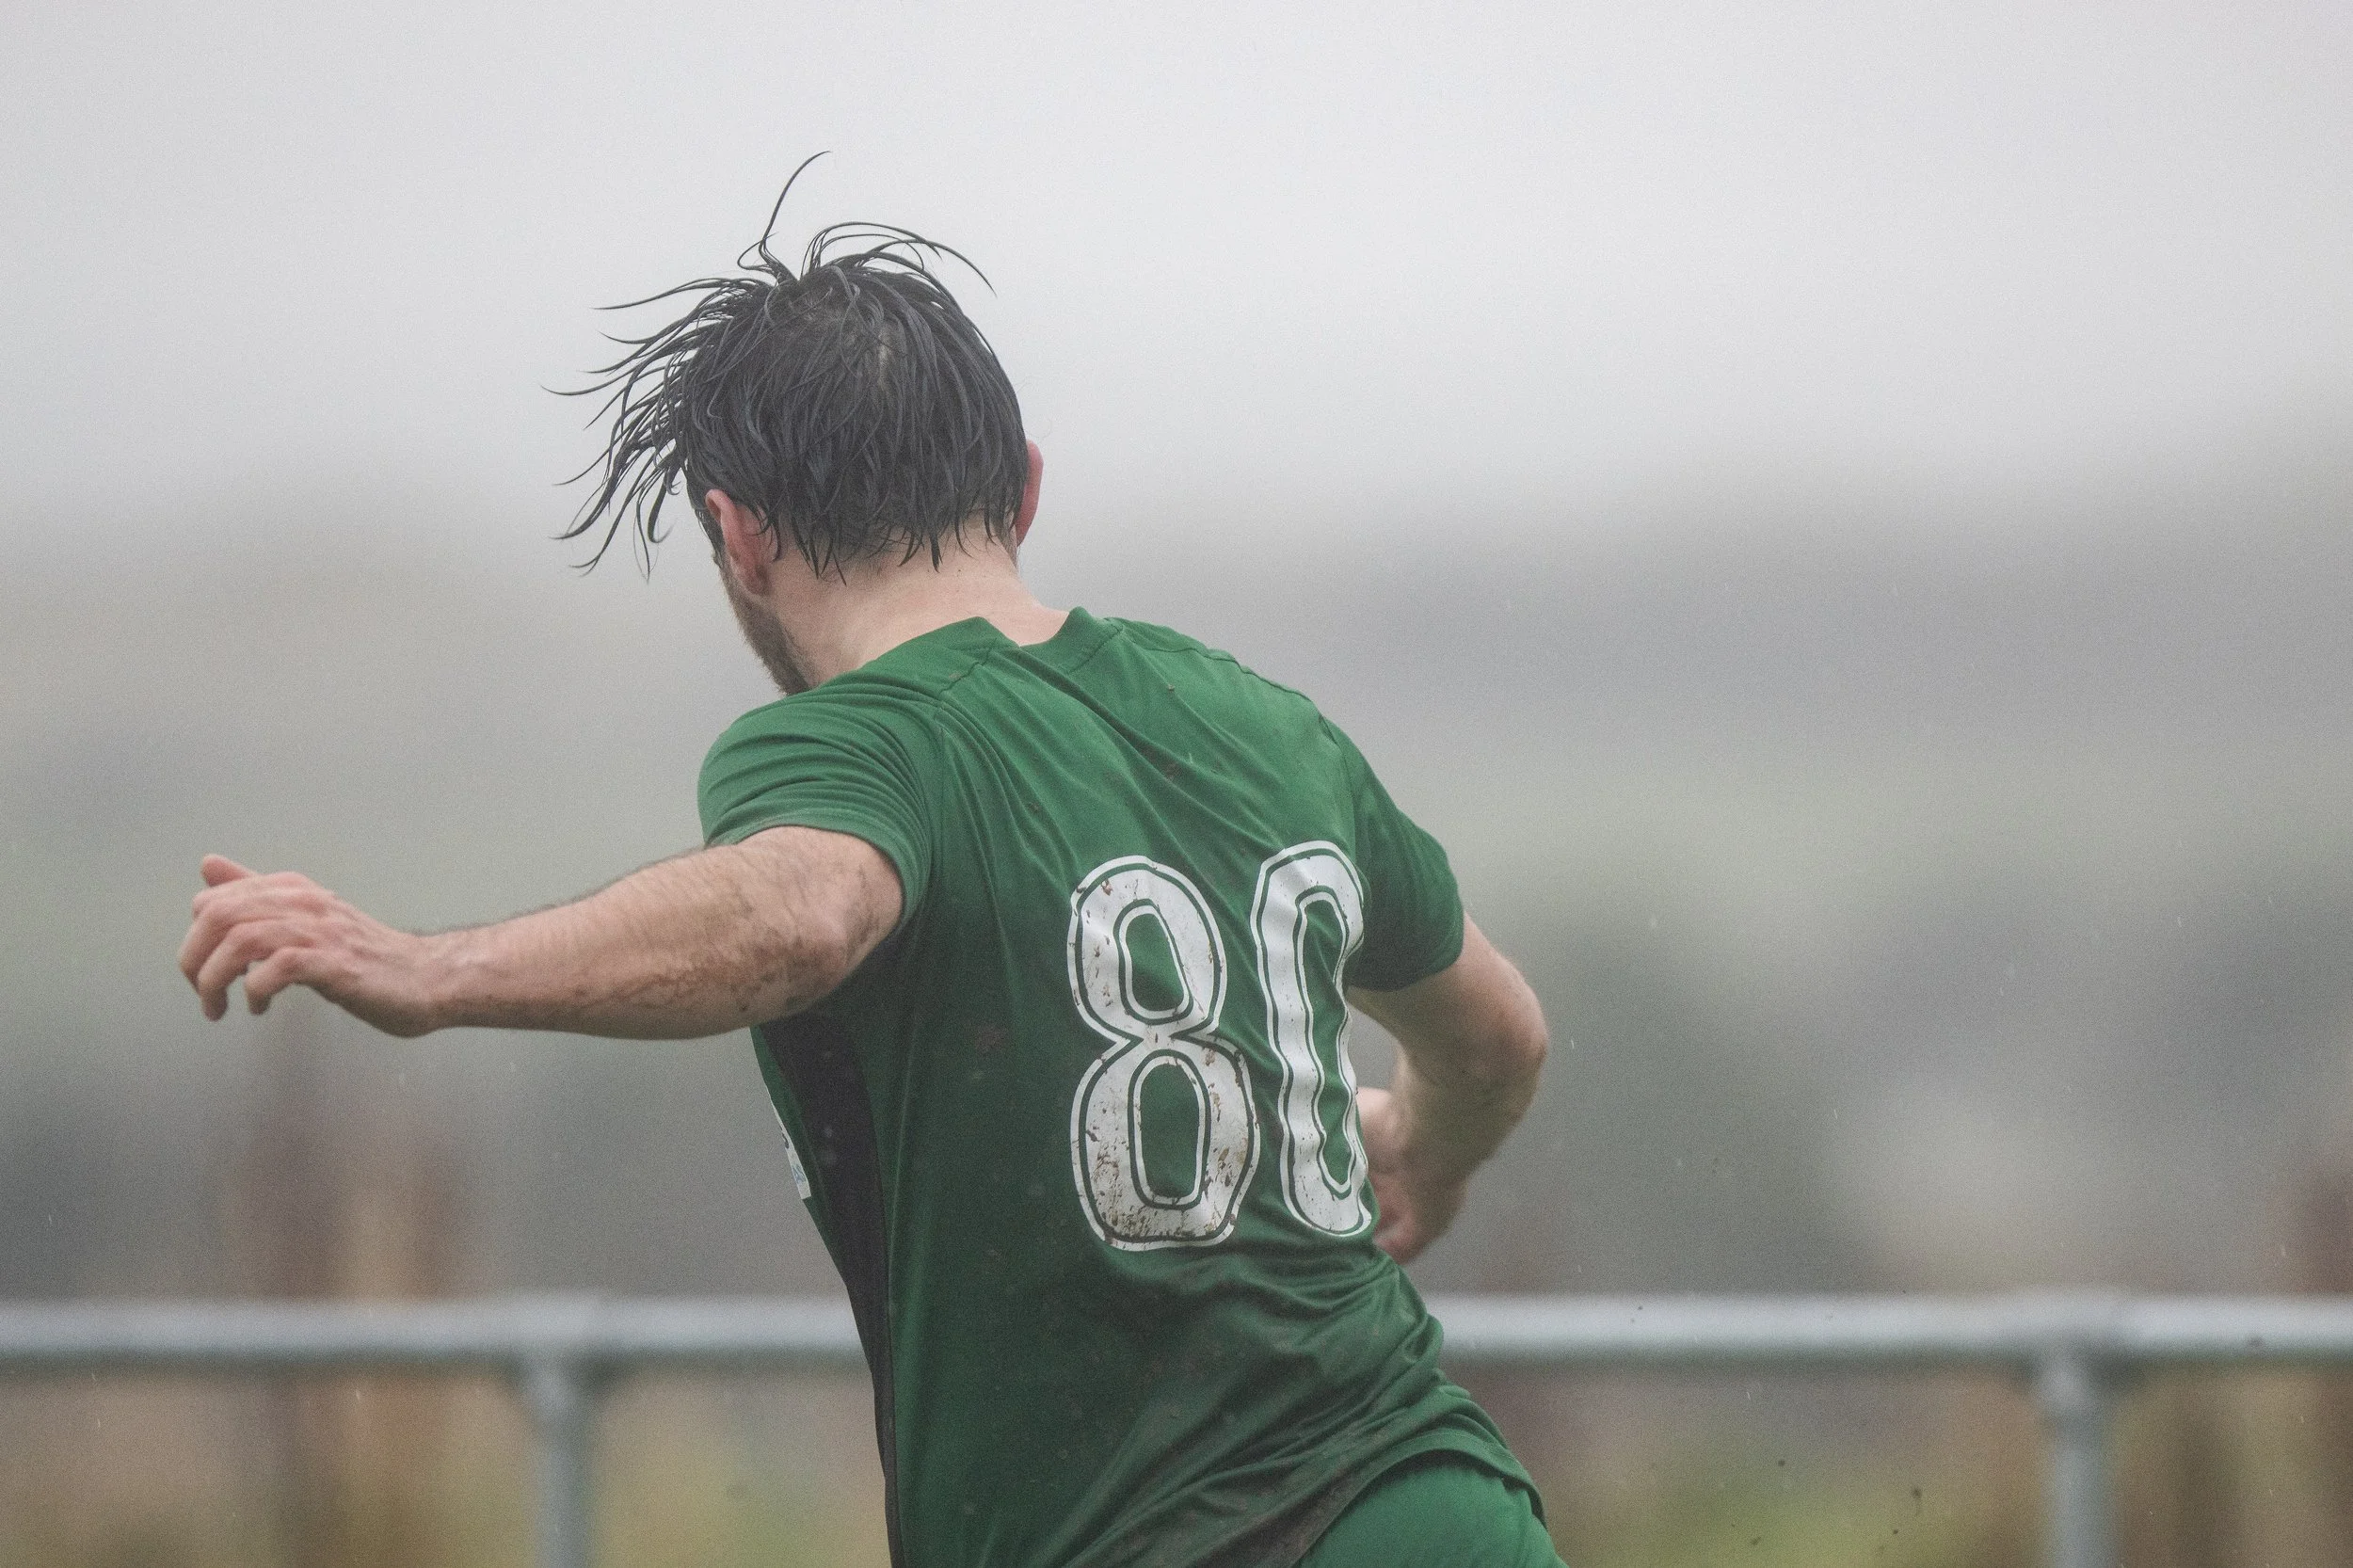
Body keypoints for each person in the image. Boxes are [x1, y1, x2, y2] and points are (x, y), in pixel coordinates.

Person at [177, 186, 1559, 1568]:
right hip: (1444, 1512)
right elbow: (1500, 1034)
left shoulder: (856, 745)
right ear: (1024, 483)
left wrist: (431, 971)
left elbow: (806, 908)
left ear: (739, 537)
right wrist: (1429, 1150)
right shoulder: (1268, 727)